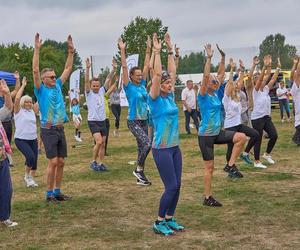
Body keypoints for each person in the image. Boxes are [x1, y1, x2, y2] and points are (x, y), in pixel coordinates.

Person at [198, 44, 247, 207]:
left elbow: (220, 74)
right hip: (205, 136)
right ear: (207, 83)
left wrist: (223, 59)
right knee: (209, 168)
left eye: (216, 81)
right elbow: (207, 77)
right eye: (213, 81)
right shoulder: (203, 95)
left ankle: (230, 165)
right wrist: (209, 58)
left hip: (218, 132)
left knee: (241, 138)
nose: (216, 82)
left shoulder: (216, 94)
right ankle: (207, 197)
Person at [149, 33, 184, 236]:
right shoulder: (154, 99)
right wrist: (156, 51)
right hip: (161, 148)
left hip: (174, 147)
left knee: (178, 185)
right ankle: (159, 221)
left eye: (171, 83)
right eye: (166, 83)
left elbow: (171, 70)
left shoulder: (170, 96)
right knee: (170, 186)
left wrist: (170, 49)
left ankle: (170, 219)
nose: (170, 84)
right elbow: (156, 74)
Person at [33, 33, 74, 203]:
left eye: (53, 76)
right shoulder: (40, 89)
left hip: (59, 128)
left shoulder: (57, 84)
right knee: (54, 161)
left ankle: (57, 192)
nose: (54, 77)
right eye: (50, 76)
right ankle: (49, 194)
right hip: (48, 129)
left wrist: (71, 52)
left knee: (62, 161)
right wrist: (36, 49)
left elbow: (67, 70)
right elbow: (35, 69)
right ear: (43, 79)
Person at [118, 36, 152, 186]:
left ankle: (140, 177)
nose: (140, 76)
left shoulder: (142, 84)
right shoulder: (128, 86)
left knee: (141, 148)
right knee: (147, 144)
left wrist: (148, 49)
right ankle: (138, 170)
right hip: (133, 120)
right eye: (137, 75)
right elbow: (124, 68)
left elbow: (146, 65)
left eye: (140, 75)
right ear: (131, 76)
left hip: (144, 120)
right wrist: (123, 51)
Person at [242, 55, 280, 168]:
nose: (262, 79)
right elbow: (260, 79)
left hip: (265, 117)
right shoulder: (255, 89)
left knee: (274, 135)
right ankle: (256, 161)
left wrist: (275, 67)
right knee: (257, 139)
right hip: (257, 118)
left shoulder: (266, 89)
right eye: (258, 78)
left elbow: (271, 77)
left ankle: (266, 154)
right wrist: (263, 66)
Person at [223, 59, 260, 173]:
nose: (236, 86)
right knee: (231, 148)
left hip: (238, 125)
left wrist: (242, 69)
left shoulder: (238, 95)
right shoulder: (227, 98)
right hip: (230, 126)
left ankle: (245, 153)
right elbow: (230, 83)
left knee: (256, 135)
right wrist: (231, 69)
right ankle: (230, 167)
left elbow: (240, 80)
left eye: (237, 85)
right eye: (234, 85)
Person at [14, 77, 39, 187]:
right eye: (27, 102)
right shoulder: (18, 111)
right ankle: (26, 176)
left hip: (33, 139)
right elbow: (17, 99)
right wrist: (23, 85)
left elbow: (40, 99)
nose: (29, 103)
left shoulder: (32, 111)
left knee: (34, 161)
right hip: (21, 139)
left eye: (30, 102)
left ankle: (31, 179)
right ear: (23, 103)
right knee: (30, 157)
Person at [85, 58, 108, 171]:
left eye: (97, 85)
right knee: (98, 141)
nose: (95, 87)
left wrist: (113, 70)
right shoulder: (89, 94)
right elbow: (86, 82)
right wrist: (88, 68)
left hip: (102, 121)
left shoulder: (102, 91)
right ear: (91, 86)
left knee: (102, 144)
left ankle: (101, 163)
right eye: (93, 85)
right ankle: (93, 161)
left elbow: (108, 81)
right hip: (93, 121)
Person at [0, 79, 17, 227]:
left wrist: (6, 94)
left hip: (2, 157)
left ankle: (5, 217)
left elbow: (7, 110)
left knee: (6, 189)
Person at [0, 71, 21, 167]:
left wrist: (17, 79)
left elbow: (17, 90)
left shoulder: (6, 95)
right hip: (1, 122)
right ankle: (8, 160)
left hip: (7, 122)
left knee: (7, 140)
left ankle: (8, 159)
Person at [291, 57, 300, 145]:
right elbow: (296, 74)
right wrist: (297, 63)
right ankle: (296, 138)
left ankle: (296, 138)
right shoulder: (295, 87)